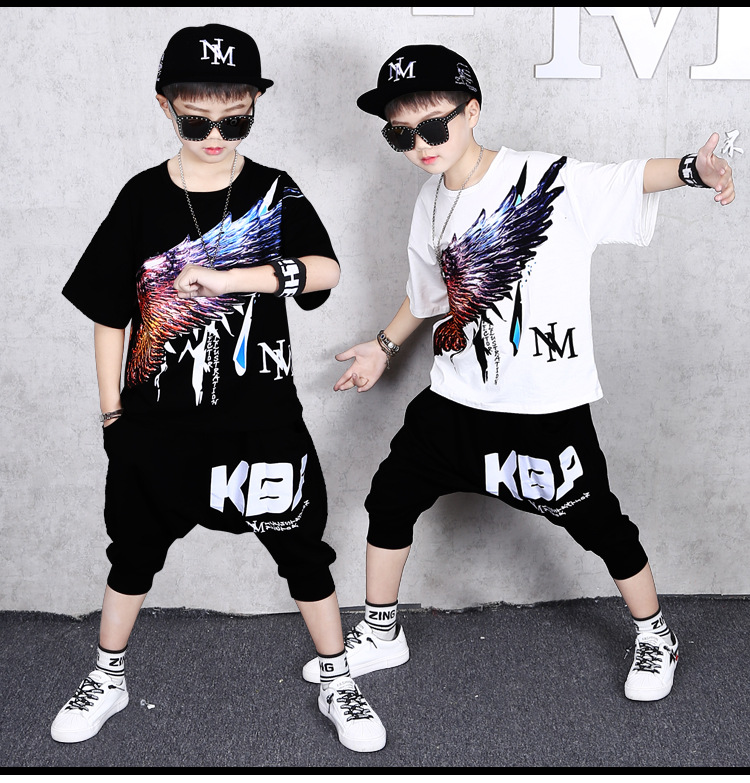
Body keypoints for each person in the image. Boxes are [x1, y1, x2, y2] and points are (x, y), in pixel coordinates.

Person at [302, 44, 735, 703]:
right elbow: (429, 293)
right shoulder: (430, 199)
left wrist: (691, 171)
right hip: (456, 396)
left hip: (543, 406)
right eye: (400, 134)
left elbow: (623, 178)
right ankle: (383, 632)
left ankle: (656, 634)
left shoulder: (543, 177)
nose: (420, 145)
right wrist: (383, 348)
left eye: (433, 126)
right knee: (390, 497)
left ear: (472, 111)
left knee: (599, 524)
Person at [54, 24, 385, 754]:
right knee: (132, 555)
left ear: (255, 105)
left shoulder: (273, 189)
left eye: (234, 119)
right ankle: (107, 676)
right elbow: (109, 314)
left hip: (262, 423)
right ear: (164, 106)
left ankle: (337, 679)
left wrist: (234, 277)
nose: (214, 136)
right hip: (155, 426)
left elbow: (324, 270)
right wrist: (111, 415)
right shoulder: (141, 197)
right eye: (196, 119)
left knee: (303, 552)